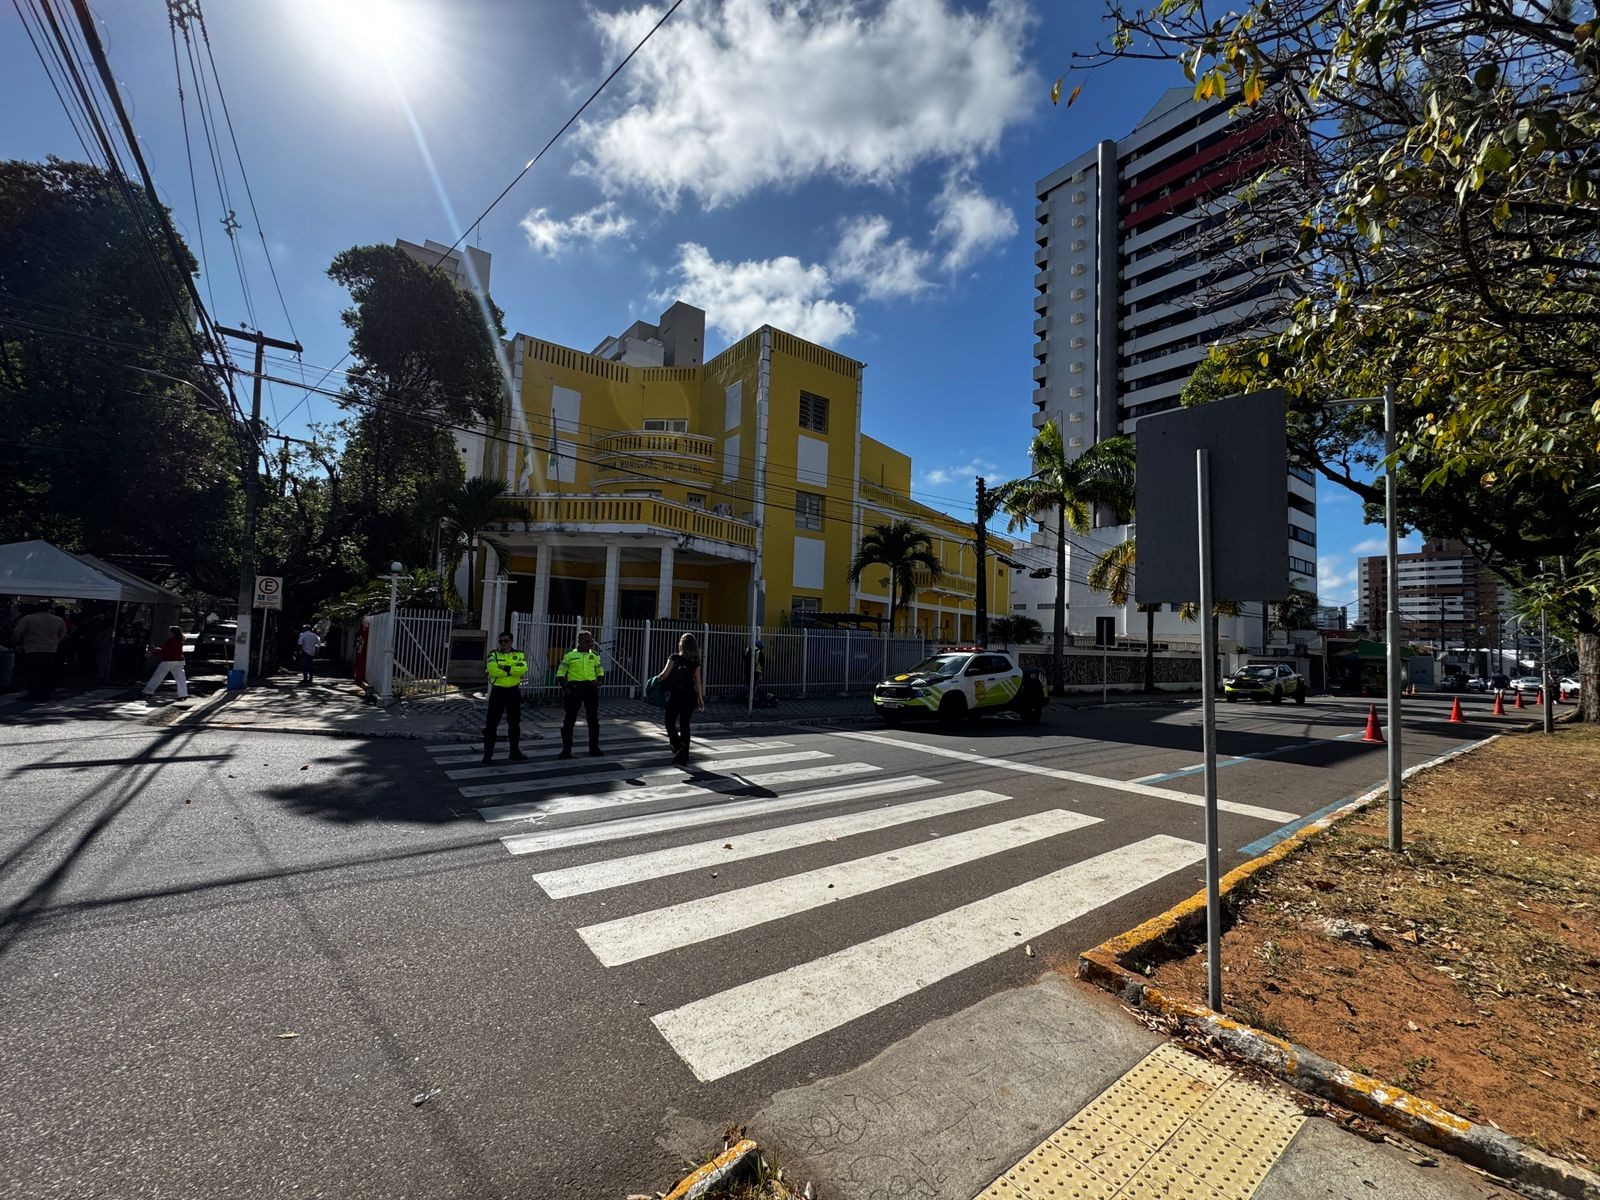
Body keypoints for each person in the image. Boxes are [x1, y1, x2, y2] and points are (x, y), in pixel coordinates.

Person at [658, 633, 706, 766]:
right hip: (690, 696)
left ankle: (678, 747)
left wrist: (654, 681)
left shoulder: (674, 657)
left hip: (676, 696)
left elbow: (664, 674)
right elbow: (698, 681)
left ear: (681, 644)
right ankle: (684, 756)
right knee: (685, 726)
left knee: (669, 722)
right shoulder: (695, 661)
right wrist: (700, 698)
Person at [556, 628, 605, 759]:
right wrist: (565, 687)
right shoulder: (569, 656)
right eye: (588, 641)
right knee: (569, 720)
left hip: (590, 688)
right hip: (574, 688)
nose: (591, 644)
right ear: (579, 642)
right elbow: (560, 673)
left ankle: (594, 748)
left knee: (593, 720)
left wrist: (599, 680)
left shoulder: (594, 655)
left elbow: (599, 669)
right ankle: (566, 750)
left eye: (592, 641)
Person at [482, 631, 528, 765]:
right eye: (501, 641)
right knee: (491, 724)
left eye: (506, 641)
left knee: (514, 724)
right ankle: (488, 753)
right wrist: (511, 670)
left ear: (511, 641)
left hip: (513, 692)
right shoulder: (493, 654)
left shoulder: (519, 654)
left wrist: (503, 668)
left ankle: (514, 751)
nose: (503, 643)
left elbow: (522, 670)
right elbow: (492, 670)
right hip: (498, 692)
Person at [12, 603, 67, 701]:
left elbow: (17, 632)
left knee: (32, 672)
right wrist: (56, 642)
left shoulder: (28, 618)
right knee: (47, 672)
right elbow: (63, 633)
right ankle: (46, 693)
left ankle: (33, 693)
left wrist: (16, 643)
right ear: (49, 609)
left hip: (32, 648)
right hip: (50, 649)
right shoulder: (58, 620)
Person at [143, 624, 189, 702]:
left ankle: (148, 691)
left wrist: (153, 652)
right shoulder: (179, 640)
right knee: (180, 678)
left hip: (168, 661)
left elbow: (165, 651)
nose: (168, 632)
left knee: (157, 676)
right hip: (179, 661)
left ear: (172, 632)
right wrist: (157, 650)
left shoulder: (170, 640)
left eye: (169, 631)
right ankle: (183, 694)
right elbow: (168, 650)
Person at [741, 638, 765, 705]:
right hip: (756, 672)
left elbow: (744, 657)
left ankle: (744, 696)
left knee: (747, 683)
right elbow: (761, 664)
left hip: (747, 670)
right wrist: (760, 673)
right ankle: (751, 699)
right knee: (754, 685)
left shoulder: (748, 648)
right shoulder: (759, 652)